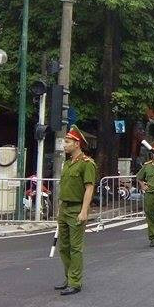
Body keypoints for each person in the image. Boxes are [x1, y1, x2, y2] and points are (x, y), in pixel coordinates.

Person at [54, 126, 96, 296]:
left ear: (77, 143)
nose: (64, 144)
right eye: (65, 141)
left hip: (76, 208)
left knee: (75, 247)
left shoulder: (87, 164)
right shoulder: (67, 163)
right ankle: (68, 277)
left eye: (68, 141)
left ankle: (75, 282)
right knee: (63, 246)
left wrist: (84, 211)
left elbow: (89, 188)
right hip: (64, 208)